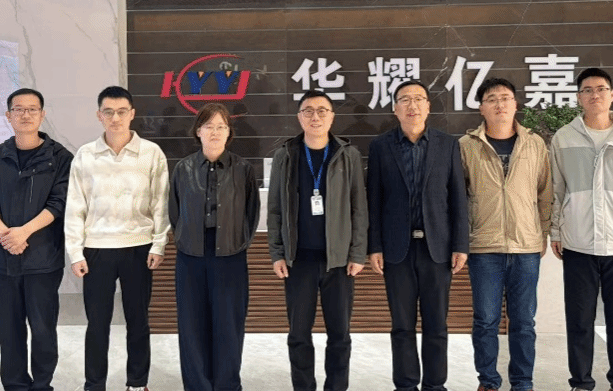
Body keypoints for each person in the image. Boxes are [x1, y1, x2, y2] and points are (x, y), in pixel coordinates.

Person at [548, 68, 613, 391]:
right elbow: (556, 190)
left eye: (601, 89)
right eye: (588, 90)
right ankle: (581, 382)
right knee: (579, 320)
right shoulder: (563, 138)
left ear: (612, 94)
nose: (595, 95)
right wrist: (556, 231)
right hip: (577, 241)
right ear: (579, 97)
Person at [66, 86, 170, 391]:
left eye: (122, 111)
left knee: (138, 321)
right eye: (108, 112)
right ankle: (94, 384)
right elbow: (75, 206)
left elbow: (161, 203)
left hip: (139, 247)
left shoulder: (151, 153)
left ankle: (137, 382)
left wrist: (159, 244)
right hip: (96, 249)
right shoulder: (86, 155)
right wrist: (75, 252)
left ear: (132, 114)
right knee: (97, 324)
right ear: (99, 115)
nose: (115, 118)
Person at [367, 80, 469, 391]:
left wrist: (460, 244)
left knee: (437, 325)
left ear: (428, 106)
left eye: (418, 99)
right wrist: (374, 246)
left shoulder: (447, 145)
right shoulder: (380, 146)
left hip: (437, 248)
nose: (412, 105)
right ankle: (406, 385)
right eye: (405, 100)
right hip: (396, 250)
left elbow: (458, 197)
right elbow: (374, 200)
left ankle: (435, 385)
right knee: (402, 326)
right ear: (395, 108)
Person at [267, 90, 368, 391]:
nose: (315, 116)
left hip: (339, 262)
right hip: (298, 260)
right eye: (308, 110)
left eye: (322, 110)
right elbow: (275, 209)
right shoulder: (285, 155)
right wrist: (277, 253)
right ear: (299, 117)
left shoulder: (347, 155)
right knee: (299, 334)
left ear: (332, 117)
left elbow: (359, 207)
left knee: (340, 335)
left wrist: (358, 253)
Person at [0, 88, 73, 391]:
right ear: (8, 116)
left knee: (43, 329)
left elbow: (59, 202)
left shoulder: (60, 158)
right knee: (8, 330)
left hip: (42, 258)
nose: (25, 115)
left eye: (32, 109)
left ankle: (42, 385)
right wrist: (6, 234)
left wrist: (23, 232)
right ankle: (15, 385)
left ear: (42, 115)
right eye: (18, 109)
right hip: (2, 257)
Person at [458, 78, 551, 391]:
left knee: (523, 321)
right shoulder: (466, 146)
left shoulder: (534, 144)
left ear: (515, 104)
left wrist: (543, 233)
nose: (500, 104)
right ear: (482, 108)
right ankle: (488, 381)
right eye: (492, 99)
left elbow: (545, 192)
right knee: (485, 320)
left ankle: (522, 382)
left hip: (526, 247)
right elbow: (457, 197)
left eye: (506, 98)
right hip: (484, 247)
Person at [169, 102, 260, 391]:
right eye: (209, 126)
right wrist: (185, 238)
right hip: (191, 255)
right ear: (198, 131)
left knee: (229, 324)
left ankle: (227, 384)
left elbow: (251, 213)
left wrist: (238, 243)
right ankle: (197, 385)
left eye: (221, 126)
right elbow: (174, 211)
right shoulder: (183, 168)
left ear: (229, 132)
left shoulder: (243, 168)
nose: (215, 132)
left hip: (230, 255)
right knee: (192, 324)